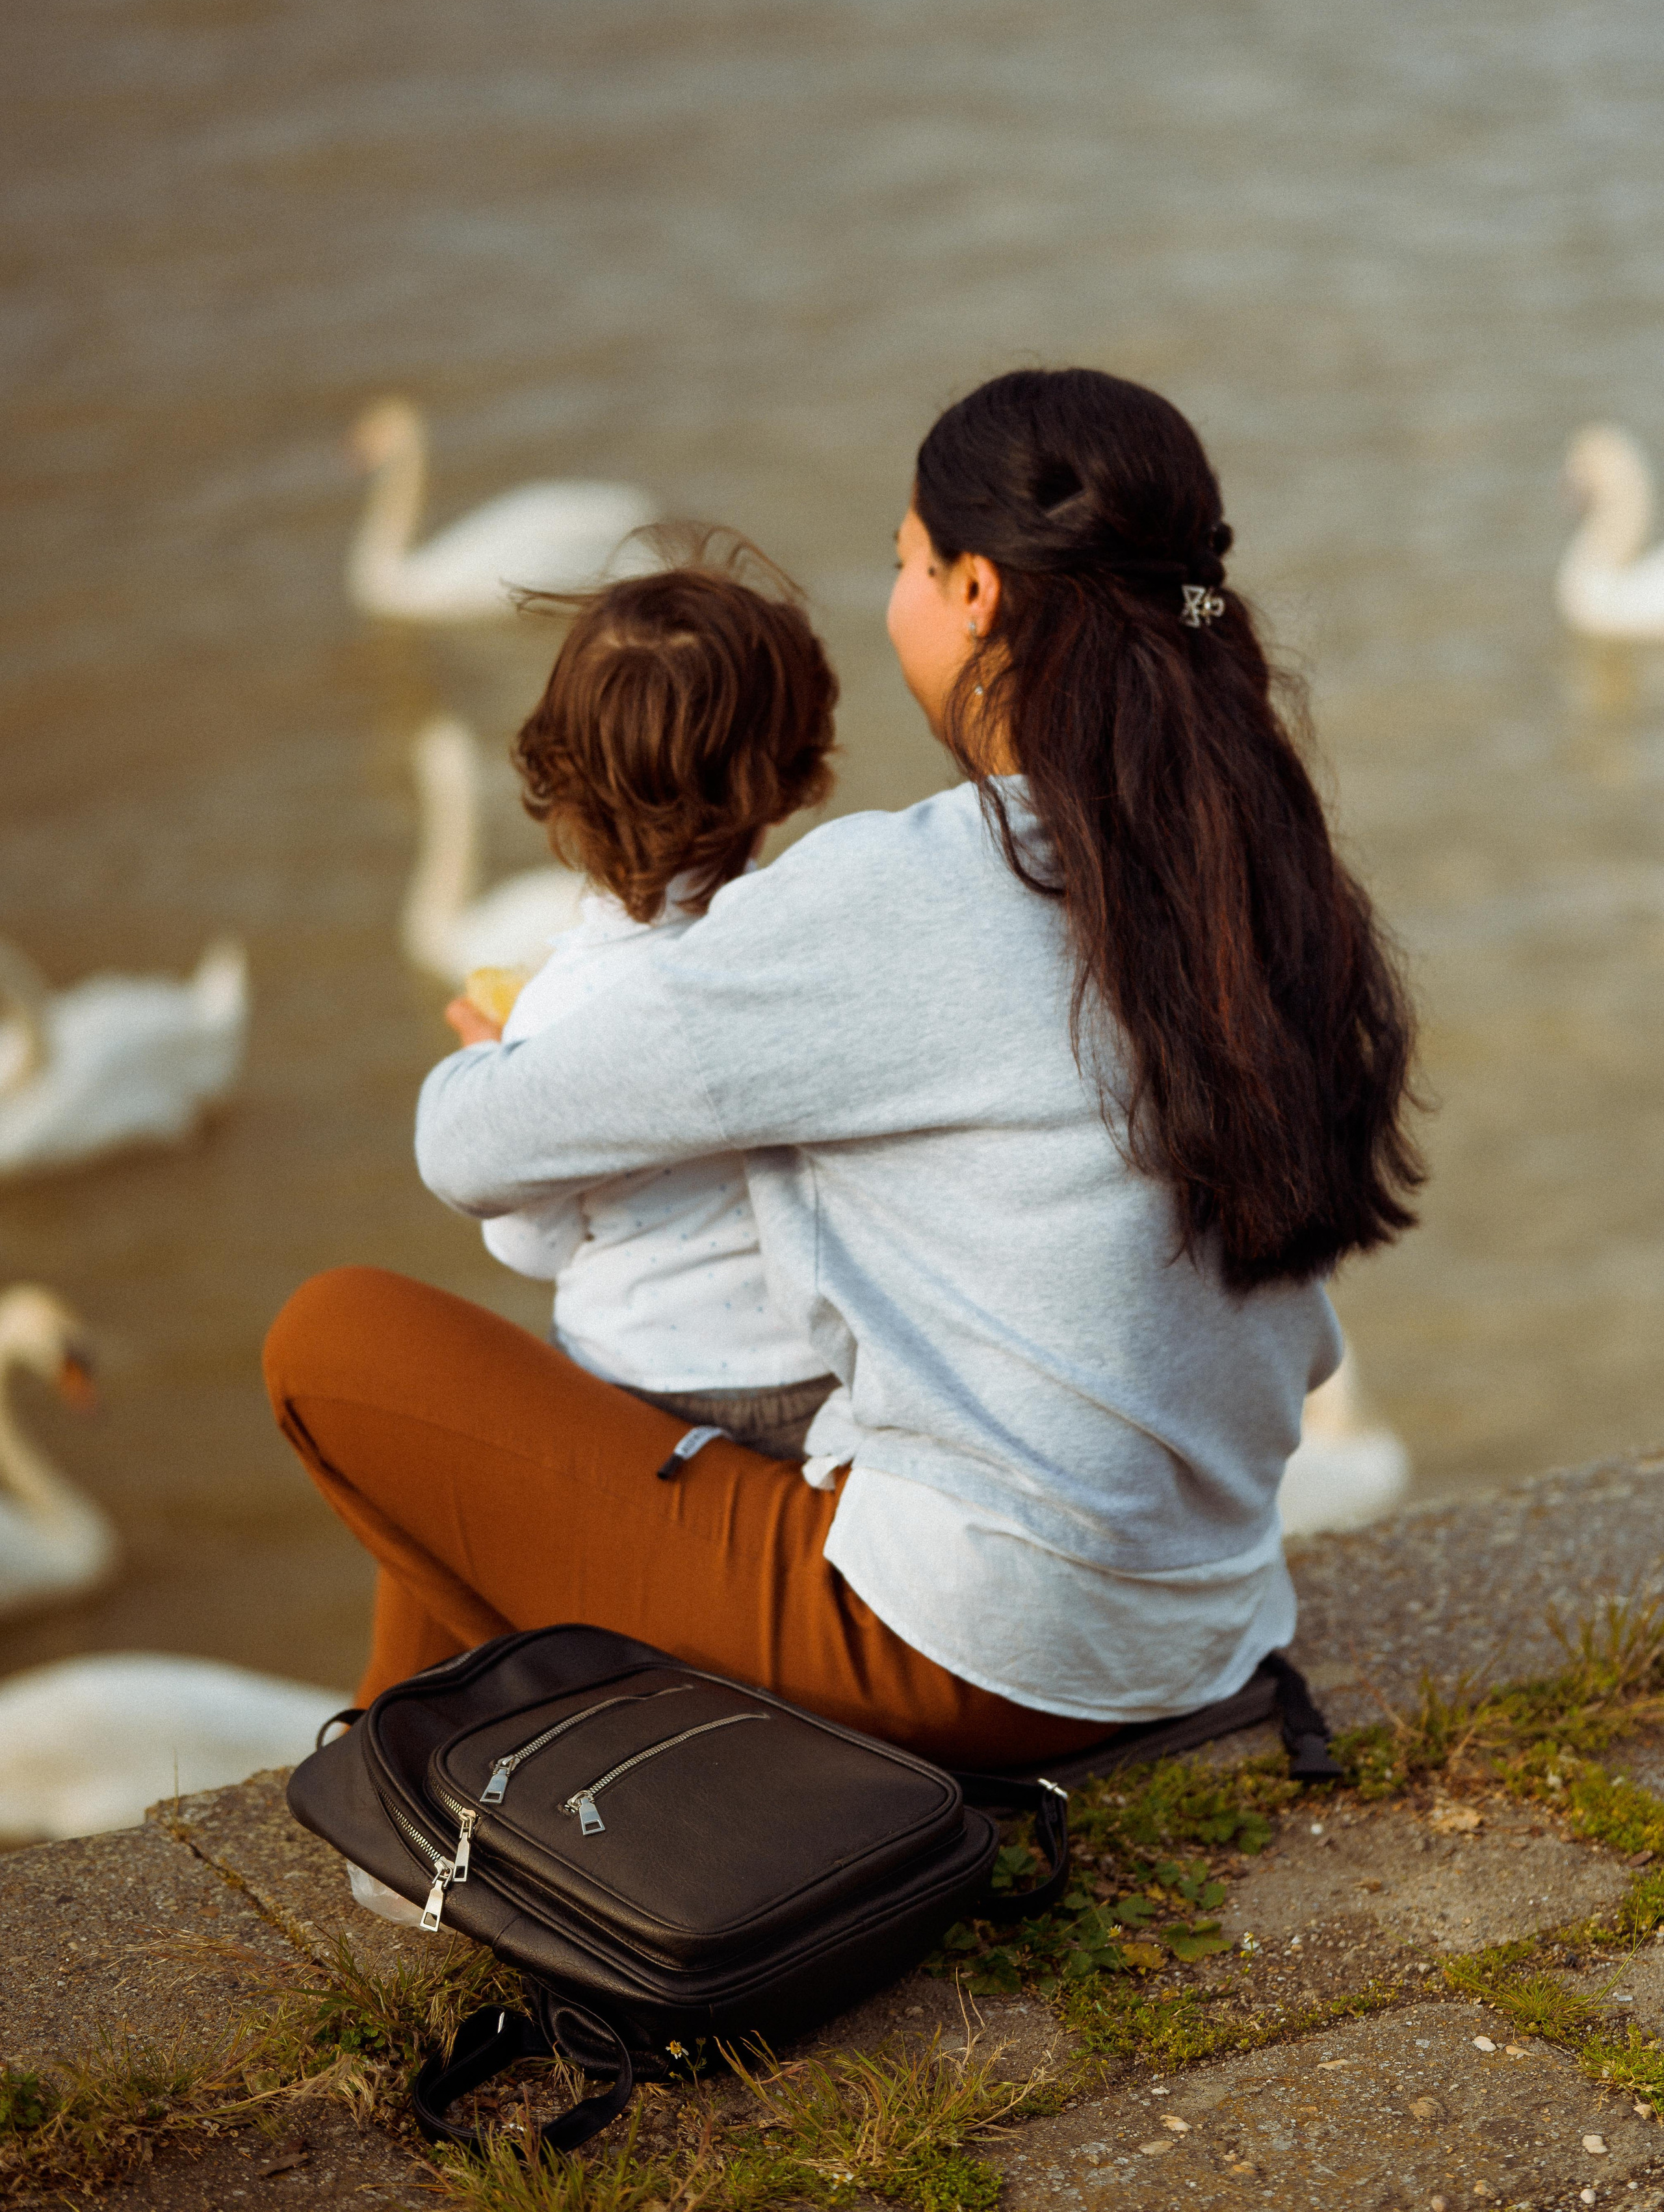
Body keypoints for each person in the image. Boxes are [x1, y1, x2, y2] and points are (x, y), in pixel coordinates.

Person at [266, 366, 1421, 1768]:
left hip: (970, 1650)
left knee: (339, 1341)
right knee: (500, 1436)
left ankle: (421, 1805)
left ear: (976, 593)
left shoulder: (910, 888)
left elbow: (473, 1149)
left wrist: (507, 1053)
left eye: (904, 565)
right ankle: (427, 1796)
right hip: (1209, 1618)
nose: (896, 601)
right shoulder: (1254, 863)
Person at [468, 528, 841, 1461]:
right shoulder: (821, 953)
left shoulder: (557, 1012)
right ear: (792, 777)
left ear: (558, 781)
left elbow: (531, 1248)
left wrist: (494, 1071)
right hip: (824, 1389)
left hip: (641, 1397)